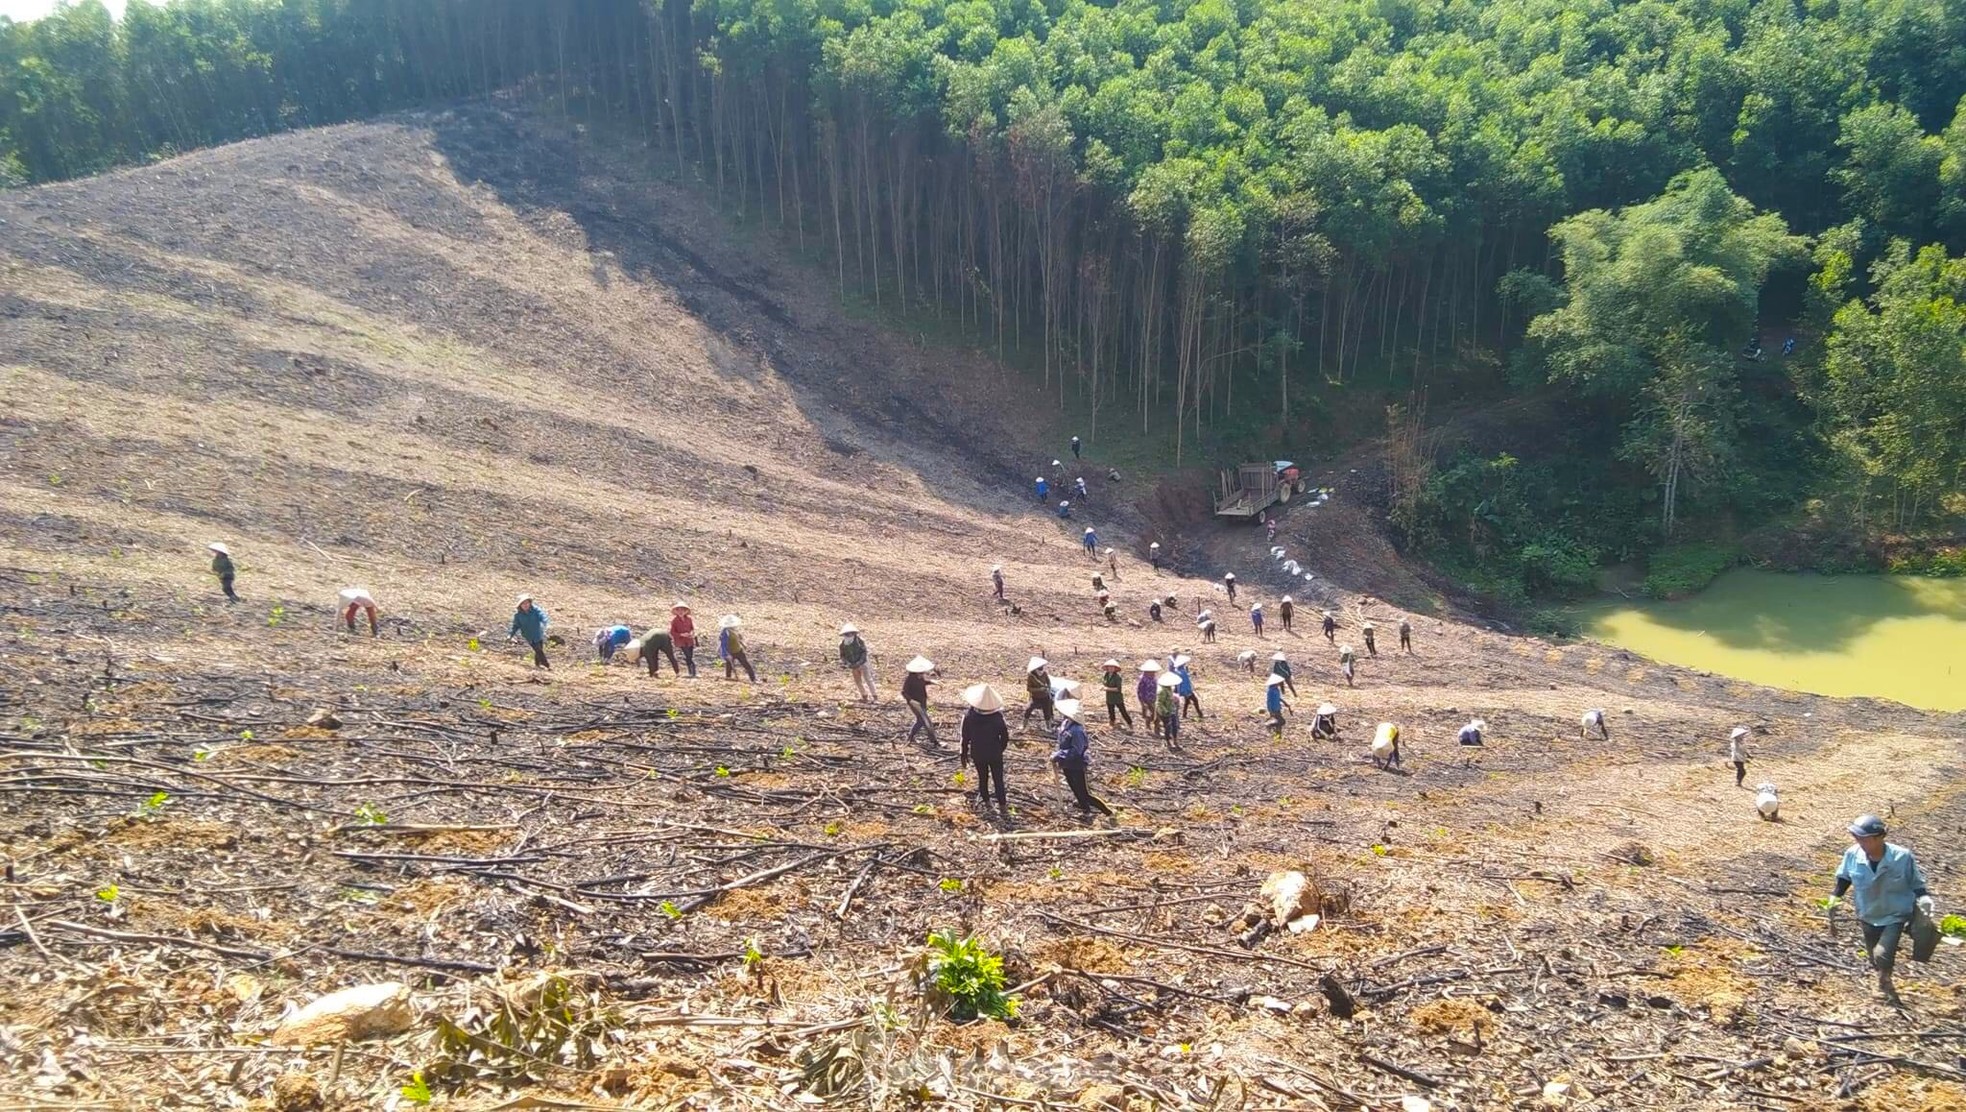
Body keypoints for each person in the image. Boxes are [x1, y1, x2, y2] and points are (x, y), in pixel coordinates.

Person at [1831, 815, 1935, 1005]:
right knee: (1873, 956)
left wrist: (1924, 897)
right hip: (1868, 912)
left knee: (1883, 954)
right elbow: (1845, 878)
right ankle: (1883, 976)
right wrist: (1835, 897)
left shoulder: (1901, 857)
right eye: (1857, 838)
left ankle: (1883, 982)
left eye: (1864, 838)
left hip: (1895, 913)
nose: (1859, 842)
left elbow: (1915, 881)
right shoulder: (1853, 854)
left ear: (1880, 837)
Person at [1051, 700, 1114, 816]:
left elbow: (1077, 750)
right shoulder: (1065, 724)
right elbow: (1061, 742)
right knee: (1074, 789)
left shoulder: (1077, 730)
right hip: (1066, 763)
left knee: (1084, 792)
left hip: (1076, 764)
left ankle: (1108, 812)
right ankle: (1085, 809)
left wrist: (1059, 755)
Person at [960, 685, 1011, 811]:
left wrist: (964, 753)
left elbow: (965, 737)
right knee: (998, 779)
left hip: (978, 753)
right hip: (995, 753)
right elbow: (1005, 737)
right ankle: (1003, 806)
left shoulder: (969, 716)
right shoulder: (997, 718)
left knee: (983, 778)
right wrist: (1000, 749)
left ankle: (988, 803)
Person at [902, 655, 939, 747]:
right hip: (915, 703)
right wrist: (911, 701)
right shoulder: (909, 679)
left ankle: (912, 737)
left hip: (922, 701)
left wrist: (932, 682)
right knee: (923, 721)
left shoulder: (920, 677)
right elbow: (903, 692)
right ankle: (933, 741)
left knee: (924, 719)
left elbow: (922, 683)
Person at [508, 595, 550, 668]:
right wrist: (510, 635)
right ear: (520, 605)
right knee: (538, 650)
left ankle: (537, 664)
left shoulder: (535, 610)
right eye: (523, 604)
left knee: (539, 649)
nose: (526, 605)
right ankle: (546, 665)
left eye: (527, 603)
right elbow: (515, 626)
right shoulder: (518, 616)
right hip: (529, 636)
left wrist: (545, 622)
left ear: (530, 603)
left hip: (538, 633)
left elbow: (542, 616)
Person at [839, 623, 876, 702]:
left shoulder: (860, 641)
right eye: (847, 634)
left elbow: (864, 653)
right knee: (858, 681)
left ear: (854, 633)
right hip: (852, 665)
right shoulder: (842, 644)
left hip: (863, 663)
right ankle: (864, 695)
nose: (849, 635)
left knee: (868, 679)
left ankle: (875, 696)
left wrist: (859, 663)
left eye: (850, 633)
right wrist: (848, 663)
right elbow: (842, 656)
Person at [720, 615, 757, 682]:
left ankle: (753, 679)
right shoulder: (725, 633)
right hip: (730, 652)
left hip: (739, 651)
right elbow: (723, 645)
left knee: (746, 665)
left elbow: (738, 639)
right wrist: (726, 655)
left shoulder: (734, 630)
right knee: (729, 667)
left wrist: (743, 645)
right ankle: (728, 679)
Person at [1023, 657, 1055, 729]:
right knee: (1028, 710)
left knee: (1047, 712)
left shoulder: (1044, 673)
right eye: (1039, 668)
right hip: (1035, 698)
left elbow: (1048, 682)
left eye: (1042, 668)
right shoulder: (1031, 677)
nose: (1041, 670)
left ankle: (1049, 727)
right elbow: (1029, 688)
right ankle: (1024, 725)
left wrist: (1048, 688)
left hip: (1045, 697)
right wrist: (1039, 689)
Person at [669, 602, 698, 677]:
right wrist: (681, 634)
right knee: (688, 655)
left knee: (690, 656)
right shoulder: (675, 621)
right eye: (678, 610)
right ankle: (692, 672)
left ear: (686, 611)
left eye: (682, 610)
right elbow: (672, 632)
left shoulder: (689, 619)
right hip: (681, 641)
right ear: (676, 612)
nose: (680, 612)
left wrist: (691, 633)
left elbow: (692, 628)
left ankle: (692, 672)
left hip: (689, 640)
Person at [1155, 671, 1181, 747]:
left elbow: (1170, 699)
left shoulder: (1170, 689)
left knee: (1174, 725)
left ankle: (1175, 740)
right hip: (1165, 712)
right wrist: (1165, 711)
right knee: (1168, 727)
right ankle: (1168, 741)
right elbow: (1159, 703)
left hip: (1171, 710)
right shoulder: (1162, 691)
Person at [1173, 655, 1202, 720]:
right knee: (1195, 700)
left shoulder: (1179, 670)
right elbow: (1185, 682)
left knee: (1187, 701)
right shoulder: (1181, 672)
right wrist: (1187, 691)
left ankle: (1184, 714)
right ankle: (1199, 713)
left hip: (1181, 689)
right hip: (1185, 689)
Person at [1136, 660, 1161, 733]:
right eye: (1150, 671)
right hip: (1147, 699)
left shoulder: (1154, 678)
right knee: (1153, 714)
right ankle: (1148, 723)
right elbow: (1139, 691)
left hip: (1155, 698)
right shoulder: (1143, 679)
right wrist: (1142, 702)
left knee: (1158, 714)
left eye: (1153, 671)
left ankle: (1157, 729)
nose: (1152, 673)